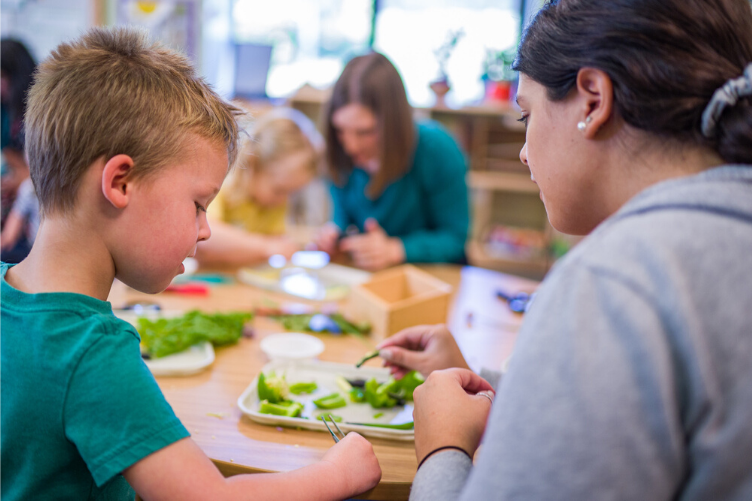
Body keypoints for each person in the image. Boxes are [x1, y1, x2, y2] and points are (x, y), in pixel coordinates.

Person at [377, 0, 752, 499]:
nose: (524, 151)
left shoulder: (613, 280)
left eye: (526, 115)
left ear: (593, 100)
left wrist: (444, 448)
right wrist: (500, 387)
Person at [0, 27, 380, 501]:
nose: (205, 230)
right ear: (120, 182)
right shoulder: (89, 353)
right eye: (198, 204)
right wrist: (339, 473)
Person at [314, 52, 470, 271]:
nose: (351, 146)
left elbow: (454, 238)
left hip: (431, 279)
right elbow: (343, 219)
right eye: (340, 130)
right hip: (370, 277)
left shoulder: (437, 149)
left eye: (365, 132)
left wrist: (396, 249)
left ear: (393, 124)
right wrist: (334, 235)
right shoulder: (338, 152)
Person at [196, 108, 324, 266]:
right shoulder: (223, 188)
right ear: (254, 165)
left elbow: (277, 243)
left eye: (291, 193)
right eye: (279, 190)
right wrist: (267, 247)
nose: (283, 200)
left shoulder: (275, 204)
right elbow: (205, 239)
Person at [1, 39, 36, 238]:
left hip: (32, 193)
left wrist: (22, 180)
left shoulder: (34, 112)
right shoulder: (6, 111)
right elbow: (8, 153)